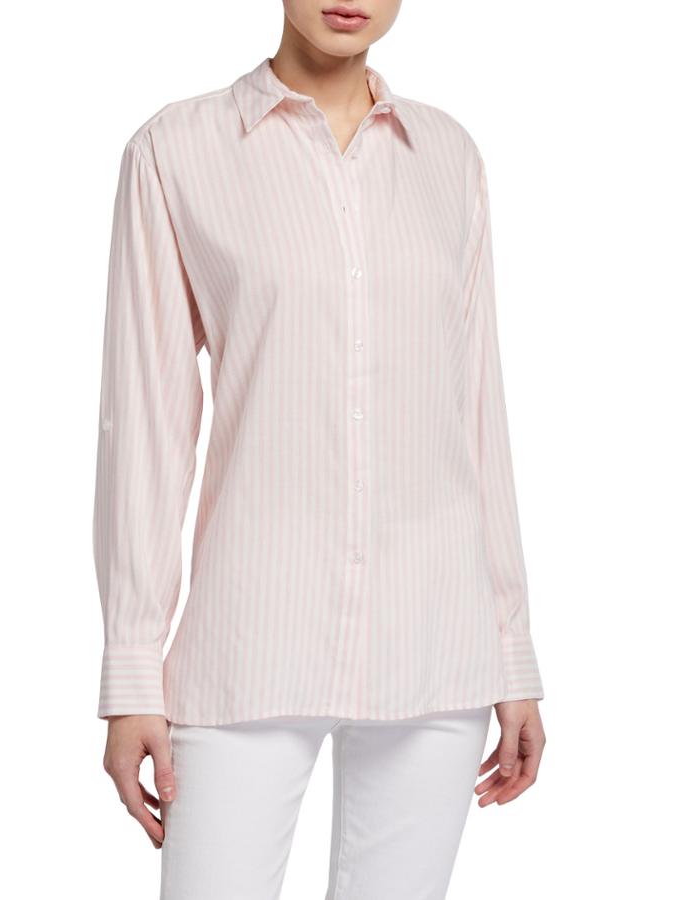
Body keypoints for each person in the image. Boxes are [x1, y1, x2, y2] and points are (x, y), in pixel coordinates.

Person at [93, 2, 547, 897]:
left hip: (437, 643)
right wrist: (132, 671)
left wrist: (512, 651)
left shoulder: (450, 157)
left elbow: (477, 414)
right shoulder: (176, 151)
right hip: (250, 640)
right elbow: (146, 423)